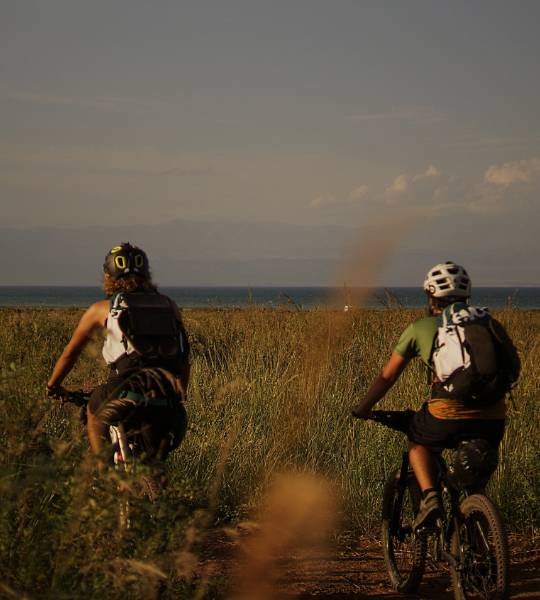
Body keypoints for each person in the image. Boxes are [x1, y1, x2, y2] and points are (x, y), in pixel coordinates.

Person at [352, 261, 520, 527]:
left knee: (418, 442)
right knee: (474, 481)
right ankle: (479, 541)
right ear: (467, 296)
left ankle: (430, 498)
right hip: (493, 416)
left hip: (447, 413)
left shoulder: (421, 328)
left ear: (431, 297)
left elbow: (388, 376)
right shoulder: (488, 323)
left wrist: (363, 408)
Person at [47, 242, 190, 459]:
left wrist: (53, 385)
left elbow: (71, 353)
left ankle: (102, 471)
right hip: (166, 399)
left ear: (109, 276)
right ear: (146, 274)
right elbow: (183, 358)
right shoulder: (169, 305)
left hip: (122, 391)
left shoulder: (102, 309)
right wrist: (180, 394)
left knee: (93, 411)